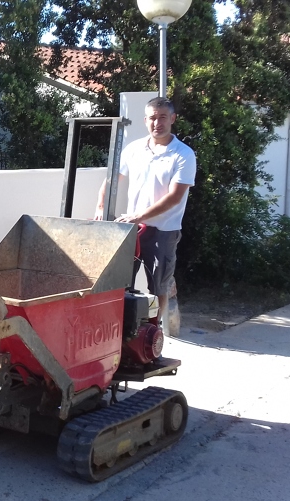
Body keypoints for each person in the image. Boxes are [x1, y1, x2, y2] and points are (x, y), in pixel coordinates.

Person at [94, 96, 196, 329]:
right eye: (152, 118)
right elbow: (112, 180)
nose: (157, 123)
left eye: (162, 117)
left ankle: (151, 331)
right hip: (131, 229)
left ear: (172, 119)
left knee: (157, 287)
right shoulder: (134, 149)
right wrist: (100, 207)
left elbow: (175, 197)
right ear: (145, 120)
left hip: (163, 231)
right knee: (121, 281)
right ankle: (119, 329)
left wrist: (140, 216)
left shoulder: (183, 154)